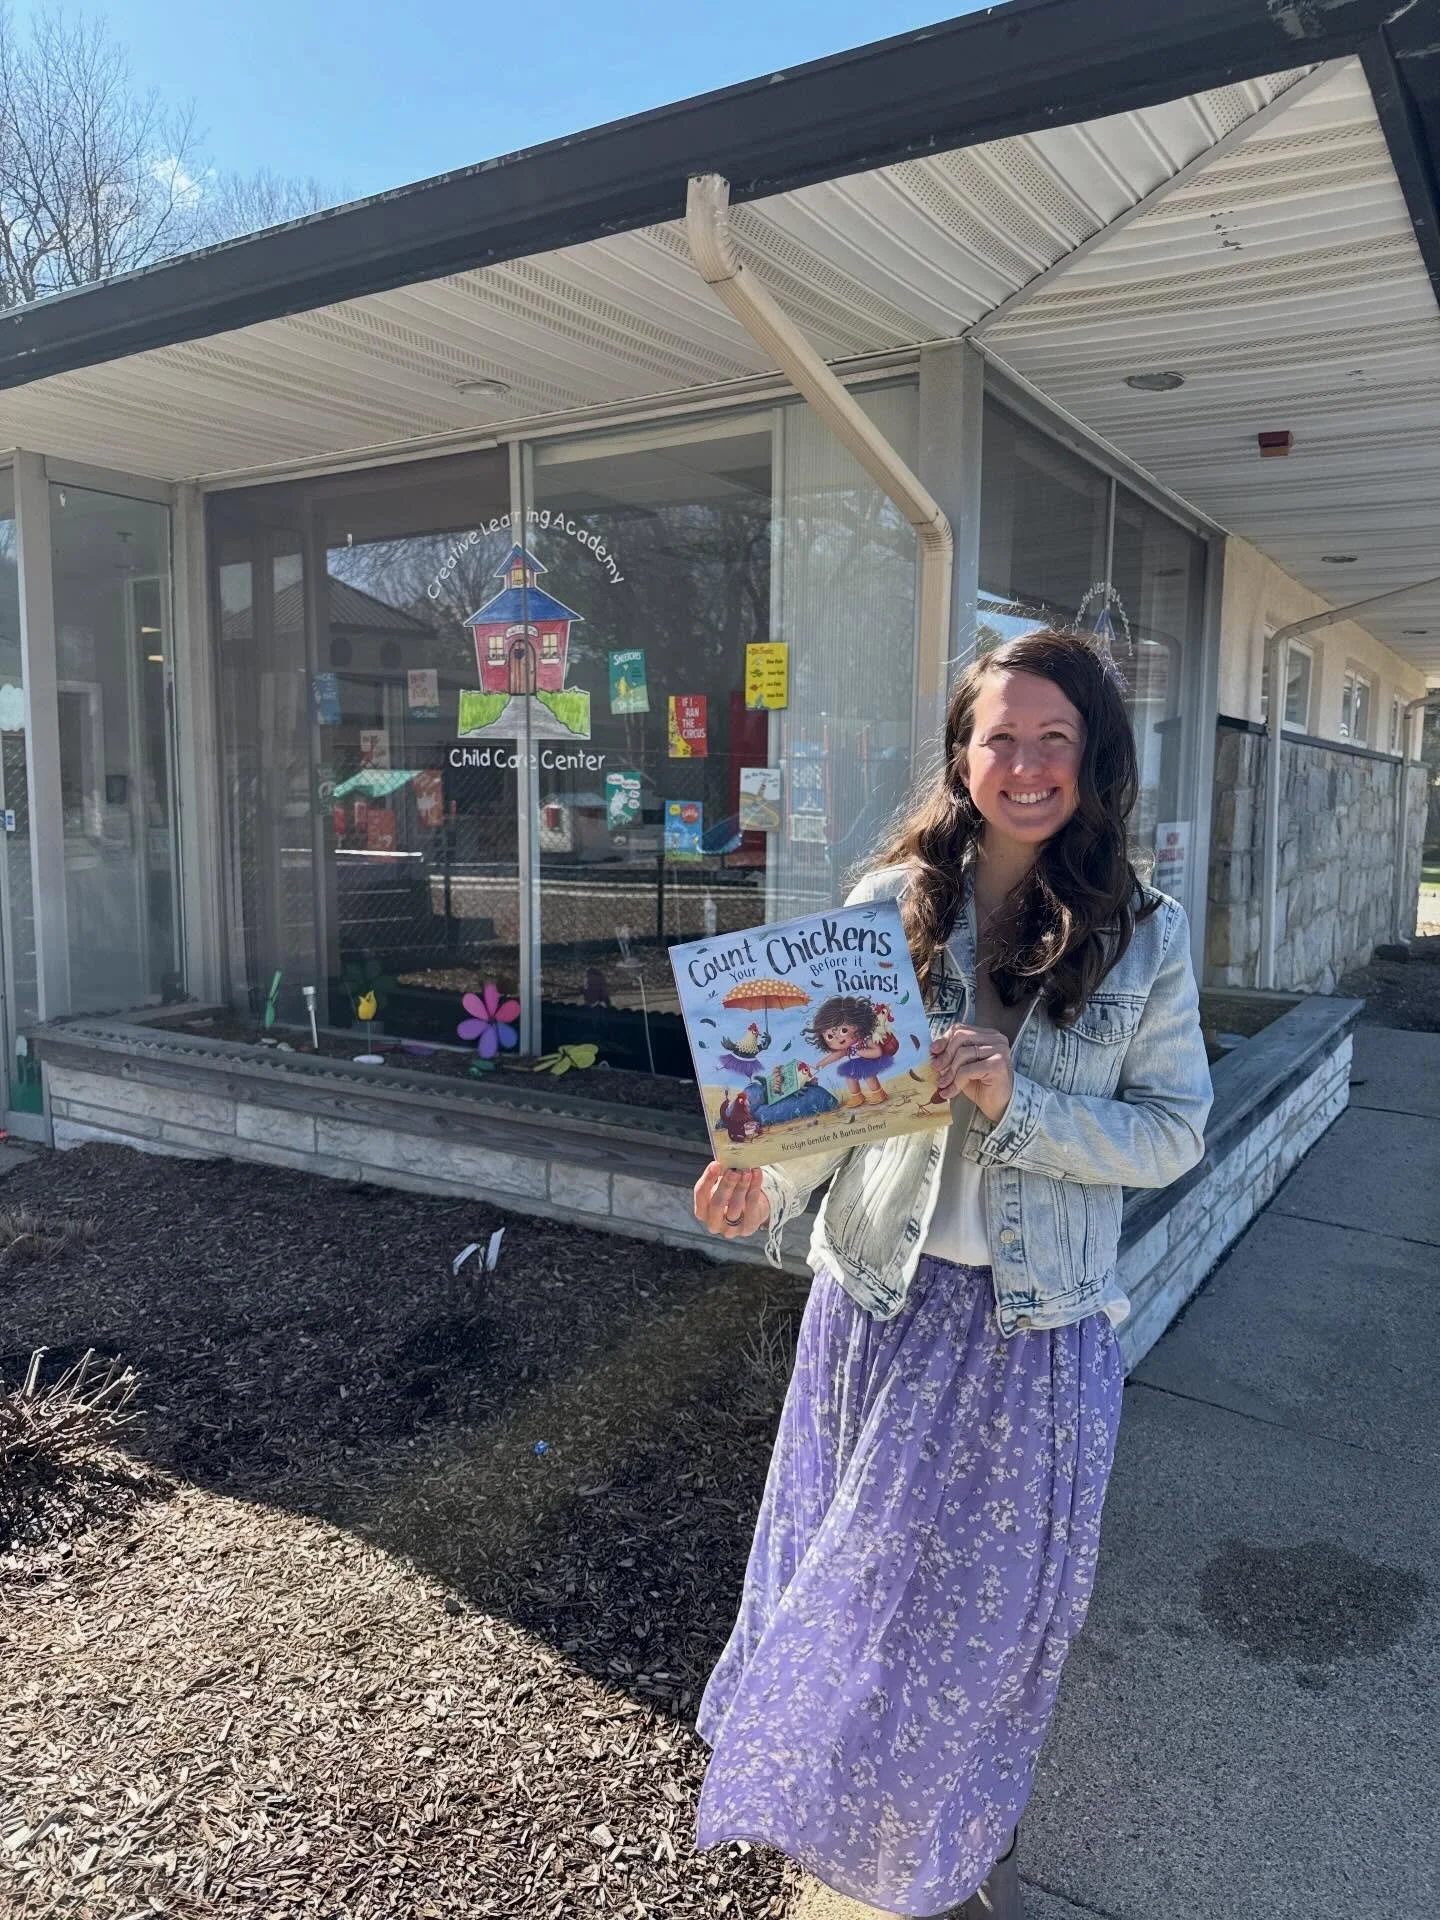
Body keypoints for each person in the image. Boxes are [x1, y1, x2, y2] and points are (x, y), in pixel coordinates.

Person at [690, 630, 1213, 1919]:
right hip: (877, 1307)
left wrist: (1016, 1098)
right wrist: (765, 1181)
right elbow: (827, 1117)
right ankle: (843, 1834)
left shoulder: (1143, 935)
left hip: (1033, 1331)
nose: (1025, 765)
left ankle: (943, 1859)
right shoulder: (886, 908)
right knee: (853, 1597)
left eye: (1054, 740)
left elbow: (1175, 1131)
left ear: (1093, 761)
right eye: (1000, 738)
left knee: (986, 1634)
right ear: (961, 755)